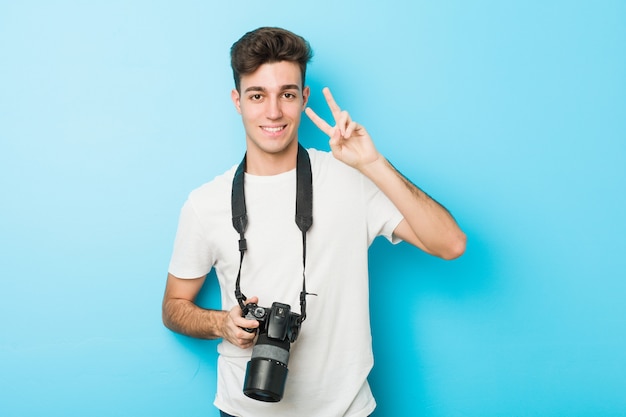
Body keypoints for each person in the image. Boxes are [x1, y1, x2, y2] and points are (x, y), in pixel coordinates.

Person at [162, 26, 466, 417]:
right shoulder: (205, 203)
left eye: (287, 95)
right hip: (245, 409)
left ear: (304, 98)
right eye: (257, 96)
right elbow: (173, 307)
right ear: (238, 101)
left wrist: (373, 165)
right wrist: (222, 323)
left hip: (346, 409)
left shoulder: (350, 179)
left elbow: (451, 244)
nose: (273, 112)